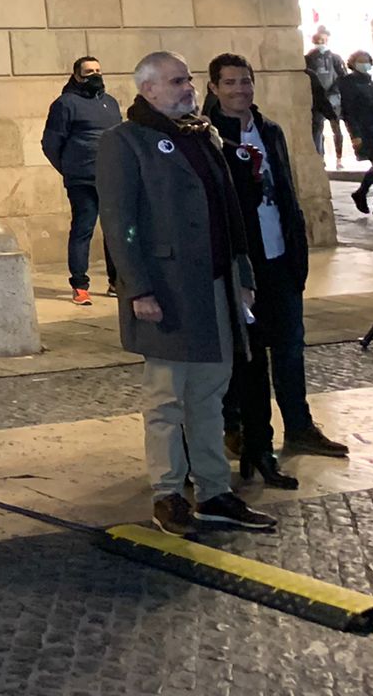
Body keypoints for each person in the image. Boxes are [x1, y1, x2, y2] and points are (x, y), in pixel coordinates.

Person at [99, 52, 273, 536]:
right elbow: (119, 223)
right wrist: (138, 289)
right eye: (177, 81)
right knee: (165, 398)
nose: (188, 87)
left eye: (188, 80)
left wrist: (241, 274)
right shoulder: (124, 142)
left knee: (210, 393)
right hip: (167, 291)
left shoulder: (201, 136)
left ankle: (215, 490)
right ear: (148, 89)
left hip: (214, 287)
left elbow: (230, 212)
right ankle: (168, 492)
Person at [205, 54, 351, 489]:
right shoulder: (211, 138)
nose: (239, 90)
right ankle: (245, 432)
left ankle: (300, 424)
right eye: (229, 83)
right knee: (245, 356)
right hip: (242, 262)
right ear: (213, 88)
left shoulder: (270, 131)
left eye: (245, 82)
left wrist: (298, 251)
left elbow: (286, 189)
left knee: (289, 344)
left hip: (280, 256)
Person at [41, 55, 122, 305]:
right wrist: (69, 169)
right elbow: (51, 143)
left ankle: (116, 282)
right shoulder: (65, 104)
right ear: (77, 76)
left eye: (98, 70)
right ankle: (80, 285)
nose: (94, 75)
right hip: (81, 180)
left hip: (112, 178)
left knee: (116, 232)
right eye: (88, 71)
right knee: (83, 229)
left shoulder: (110, 103)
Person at [338, 51, 373, 216]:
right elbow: (349, 112)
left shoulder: (371, 82)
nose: (364, 64)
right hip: (365, 131)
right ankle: (362, 192)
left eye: (367, 61)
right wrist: (355, 134)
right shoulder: (348, 83)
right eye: (360, 61)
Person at [305, 28, 346, 171]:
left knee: (336, 128)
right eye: (318, 40)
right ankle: (319, 158)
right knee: (317, 128)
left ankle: (339, 158)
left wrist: (336, 93)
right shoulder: (308, 58)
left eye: (322, 40)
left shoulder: (334, 57)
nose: (320, 43)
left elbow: (342, 76)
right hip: (317, 99)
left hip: (333, 98)